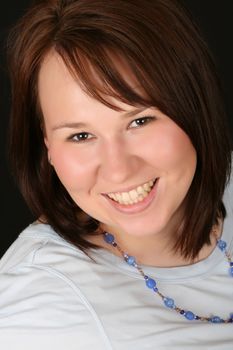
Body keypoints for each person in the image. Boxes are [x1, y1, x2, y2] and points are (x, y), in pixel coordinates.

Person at [0, 0, 232, 349]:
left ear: (193, 107)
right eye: (80, 136)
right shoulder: (40, 308)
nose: (119, 168)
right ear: (47, 145)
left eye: (139, 121)